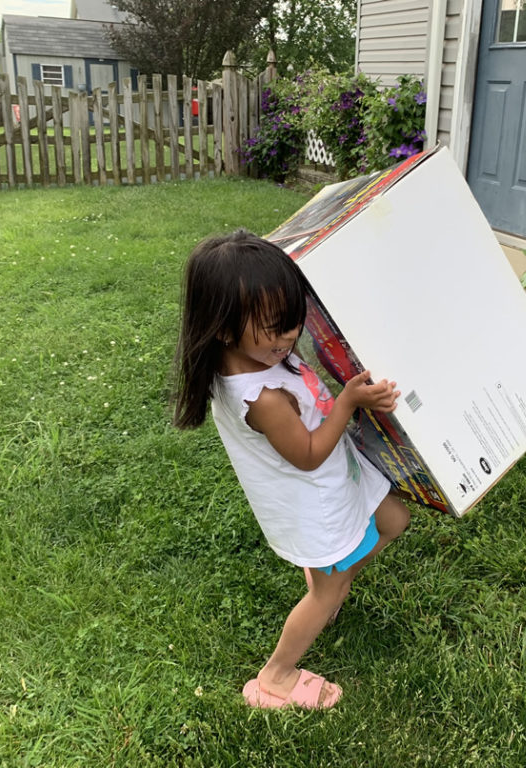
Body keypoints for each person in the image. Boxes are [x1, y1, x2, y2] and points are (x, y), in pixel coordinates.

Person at [172, 230, 411, 710]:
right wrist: (346, 403)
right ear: (223, 327)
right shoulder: (260, 397)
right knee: (328, 591)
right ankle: (275, 677)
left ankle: (330, 582)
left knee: (393, 520)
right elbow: (306, 453)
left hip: (334, 478)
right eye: (275, 327)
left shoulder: (254, 351)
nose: (289, 337)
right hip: (313, 497)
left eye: (292, 322)